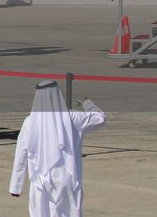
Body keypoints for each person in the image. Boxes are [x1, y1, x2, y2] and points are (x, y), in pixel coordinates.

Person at [9, 80, 106, 216]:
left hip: (40, 181)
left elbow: (21, 154)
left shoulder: (29, 122)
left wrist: (16, 186)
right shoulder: (73, 118)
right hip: (67, 178)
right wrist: (88, 104)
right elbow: (100, 118)